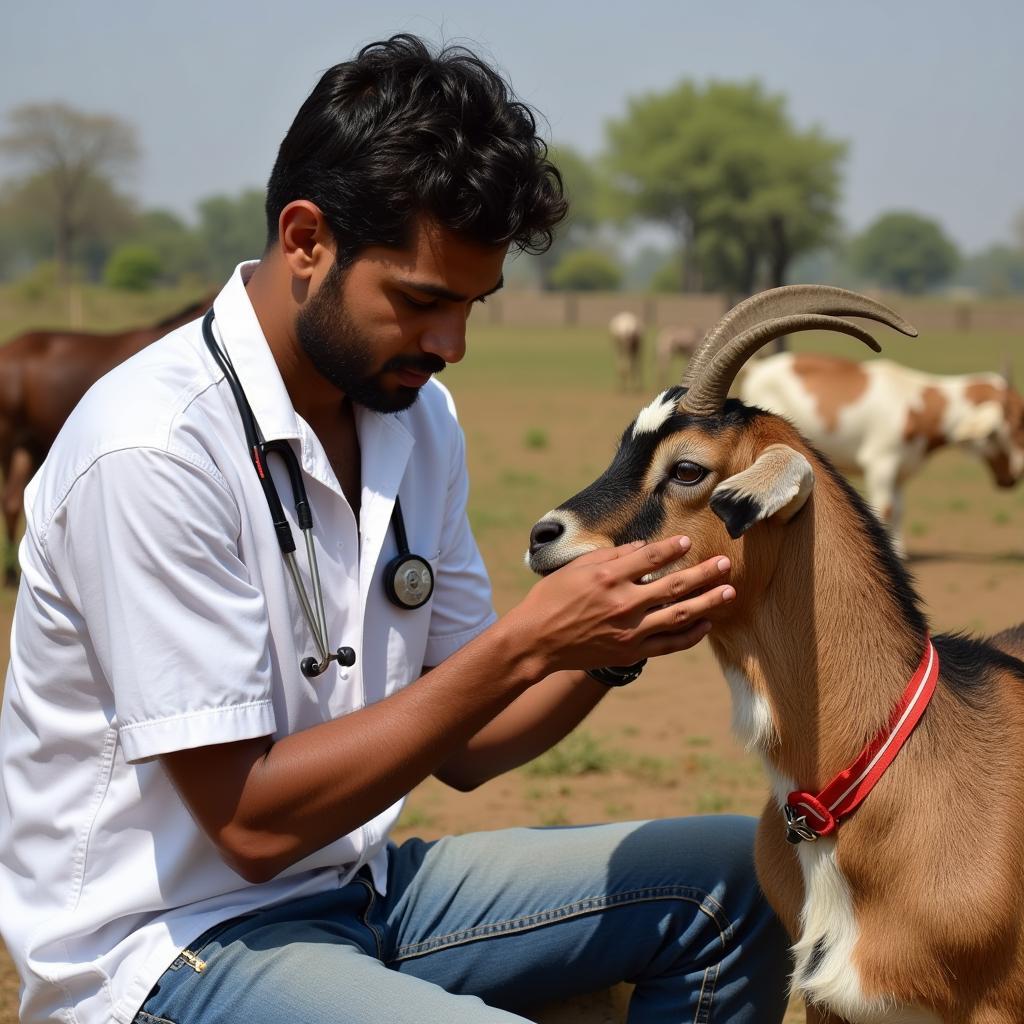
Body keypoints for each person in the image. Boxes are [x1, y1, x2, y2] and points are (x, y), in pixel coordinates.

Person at [0, 34, 789, 1024]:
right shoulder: (153, 448)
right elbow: (248, 825)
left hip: (355, 893)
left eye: (472, 306)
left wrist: (609, 648)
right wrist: (528, 637)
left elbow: (470, 741)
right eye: (420, 301)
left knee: (744, 881)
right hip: (168, 948)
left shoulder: (415, 420)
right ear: (304, 240)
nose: (451, 345)